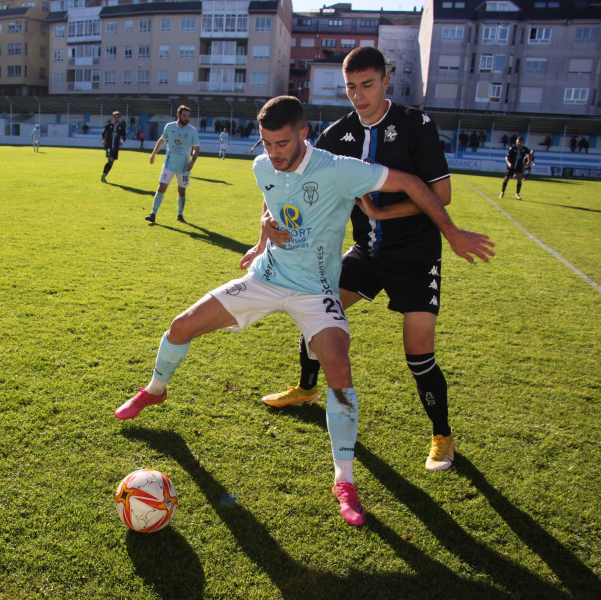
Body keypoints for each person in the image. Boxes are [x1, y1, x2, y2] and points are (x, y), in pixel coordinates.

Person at [116, 96, 493, 527]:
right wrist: (261, 235)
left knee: (338, 363)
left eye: (281, 143)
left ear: (303, 134)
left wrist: (452, 231)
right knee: (181, 326)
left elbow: (410, 181)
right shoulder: (261, 166)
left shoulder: (337, 168)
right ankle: (156, 389)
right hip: (266, 277)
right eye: (265, 143)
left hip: (315, 290)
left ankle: (344, 481)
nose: (272, 153)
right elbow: (269, 198)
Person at [257, 47, 495, 475]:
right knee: (318, 309)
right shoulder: (337, 132)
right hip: (367, 252)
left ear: (386, 81)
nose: (358, 95)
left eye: (367, 85)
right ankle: (307, 389)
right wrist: (267, 220)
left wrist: (388, 214)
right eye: (351, 87)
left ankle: (442, 435)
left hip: (416, 255)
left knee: (418, 349)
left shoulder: (415, 124)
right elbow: (287, 174)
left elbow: (439, 196)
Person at [145, 105, 200, 224]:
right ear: (178, 115)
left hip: (184, 167)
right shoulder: (169, 127)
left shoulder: (192, 131)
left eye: (188, 116)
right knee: (161, 187)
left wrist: (192, 162)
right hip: (169, 164)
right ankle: (153, 213)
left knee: (181, 190)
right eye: (184, 116)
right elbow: (162, 140)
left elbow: (196, 148)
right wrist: (154, 153)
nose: (187, 118)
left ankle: (180, 214)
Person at [101, 111, 127, 182]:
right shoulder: (109, 125)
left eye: (118, 117)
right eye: (115, 117)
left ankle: (104, 175)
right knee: (110, 160)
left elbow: (124, 136)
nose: (116, 118)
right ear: (113, 117)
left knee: (111, 162)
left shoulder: (121, 127)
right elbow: (103, 133)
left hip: (115, 147)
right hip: (108, 145)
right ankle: (103, 175)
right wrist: (103, 140)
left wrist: (122, 141)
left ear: (119, 118)